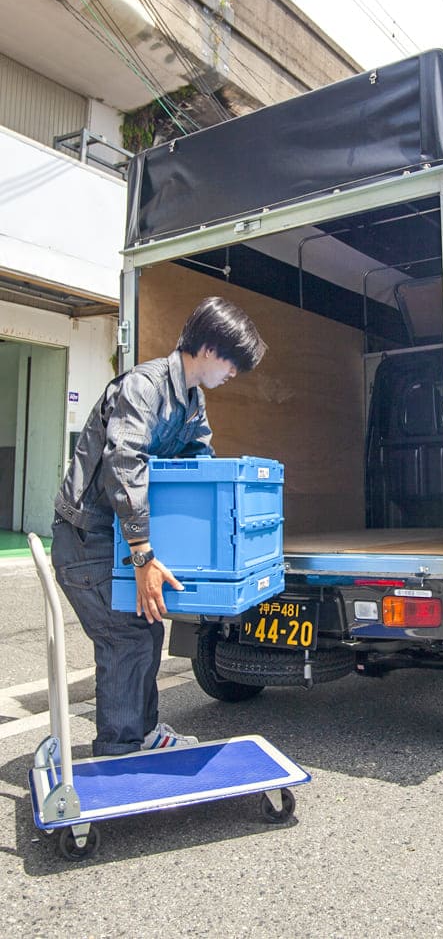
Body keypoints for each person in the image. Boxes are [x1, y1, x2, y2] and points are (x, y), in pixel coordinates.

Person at [52, 297, 266, 756]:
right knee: (127, 636)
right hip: (86, 541)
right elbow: (124, 462)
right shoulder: (144, 387)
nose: (234, 374)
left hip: (114, 539)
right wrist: (144, 554)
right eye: (233, 362)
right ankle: (120, 751)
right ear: (209, 348)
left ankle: (141, 734)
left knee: (145, 629)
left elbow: (199, 463)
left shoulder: (192, 400)